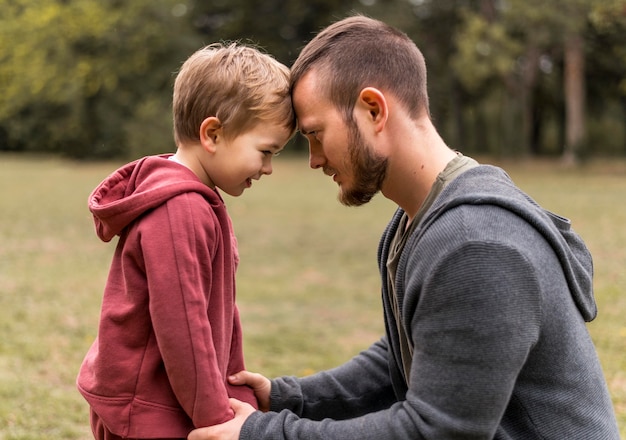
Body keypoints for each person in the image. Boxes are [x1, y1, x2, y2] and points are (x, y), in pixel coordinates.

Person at [187, 15, 620, 440]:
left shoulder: (477, 242)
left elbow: (439, 430)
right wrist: (290, 397)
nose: (315, 159)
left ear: (373, 109)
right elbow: (404, 355)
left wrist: (264, 433)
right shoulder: (420, 218)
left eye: (316, 134)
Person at [76, 42, 296, 440]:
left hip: (170, 402)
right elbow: (183, 327)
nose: (268, 168)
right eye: (265, 151)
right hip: (148, 410)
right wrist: (215, 419)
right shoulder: (181, 209)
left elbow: (212, 308)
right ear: (212, 133)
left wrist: (231, 386)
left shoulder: (194, 199)